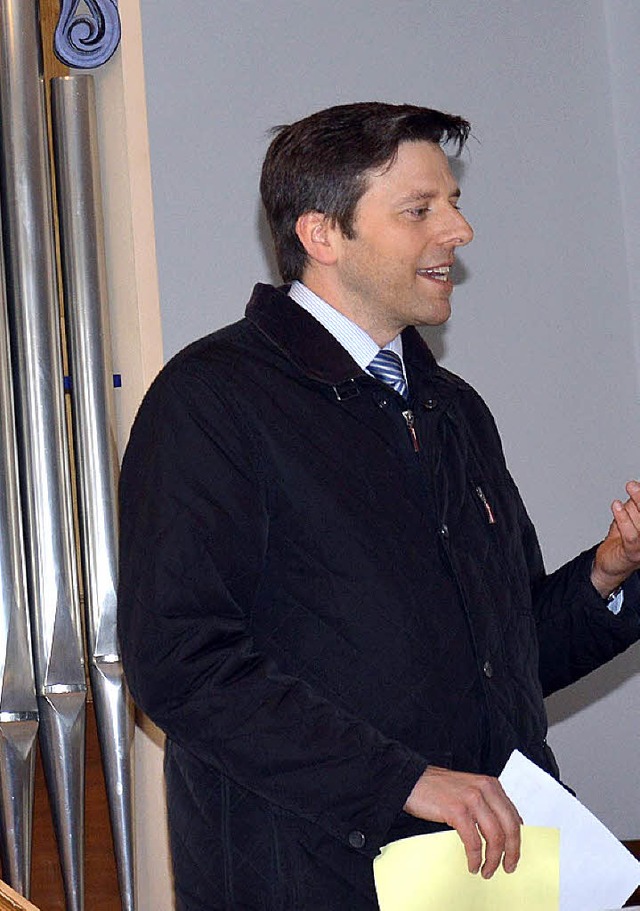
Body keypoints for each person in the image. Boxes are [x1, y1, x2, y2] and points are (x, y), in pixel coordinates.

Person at [117, 102, 640, 910]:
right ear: (323, 235)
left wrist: (610, 572)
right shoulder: (212, 398)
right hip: (307, 879)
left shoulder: (453, 408)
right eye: (421, 210)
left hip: (491, 883)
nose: (458, 231)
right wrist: (406, 781)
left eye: (453, 203)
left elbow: (505, 659)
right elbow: (181, 662)